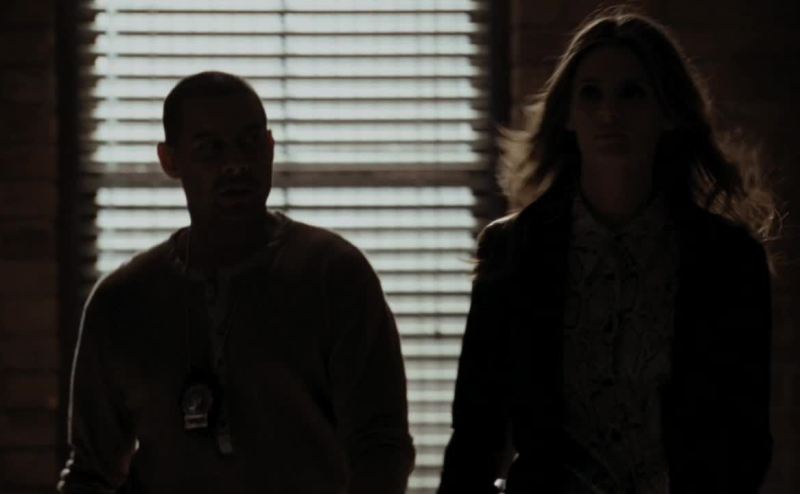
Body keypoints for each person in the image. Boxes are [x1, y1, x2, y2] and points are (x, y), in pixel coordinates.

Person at [438, 8, 776, 494]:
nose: (608, 113)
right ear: (567, 116)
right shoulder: (515, 250)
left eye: (631, 93)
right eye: (591, 94)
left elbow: (746, 439)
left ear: (668, 112)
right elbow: (476, 433)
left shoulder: (727, 260)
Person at [59, 71, 415, 493]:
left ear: (270, 148)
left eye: (250, 143)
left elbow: (381, 447)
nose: (235, 164)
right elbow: (91, 473)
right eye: (210, 149)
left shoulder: (334, 275)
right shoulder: (122, 301)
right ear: (170, 160)